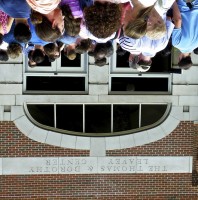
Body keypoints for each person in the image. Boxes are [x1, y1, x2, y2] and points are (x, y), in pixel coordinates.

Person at [171, 1, 198, 70]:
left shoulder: (197, 44)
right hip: (182, 5)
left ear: (190, 58)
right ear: (179, 59)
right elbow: (178, 20)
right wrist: (173, 2)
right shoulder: (176, 43)